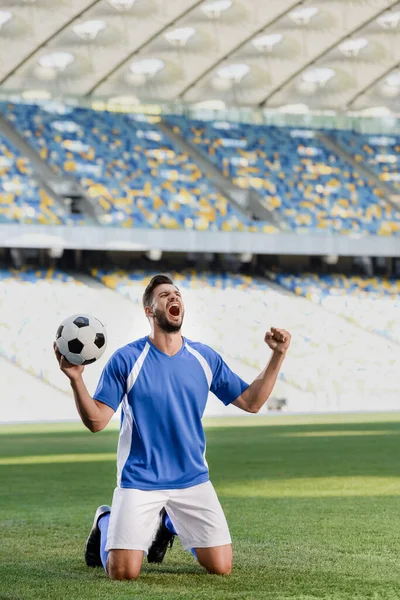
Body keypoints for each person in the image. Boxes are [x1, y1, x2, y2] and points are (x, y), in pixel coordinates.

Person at [54, 273, 291, 580]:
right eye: (165, 295)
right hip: (140, 479)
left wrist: (277, 355)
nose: (174, 298)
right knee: (123, 573)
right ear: (149, 311)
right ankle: (106, 519)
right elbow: (97, 421)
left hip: (191, 478)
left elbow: (252, 401)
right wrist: (76, 380)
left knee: (222, 567)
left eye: (176, 294)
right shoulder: (126, 360)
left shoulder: (204, 357)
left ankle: (168, 522)